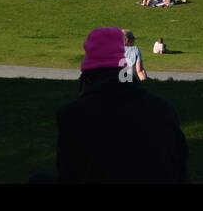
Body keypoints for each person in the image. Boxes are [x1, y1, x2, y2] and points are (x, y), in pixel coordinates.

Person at [55, 27, 188, 183]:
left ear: (87, 73)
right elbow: (180, 165)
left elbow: (68, 173)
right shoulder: (163, 109)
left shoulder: (72, 115)